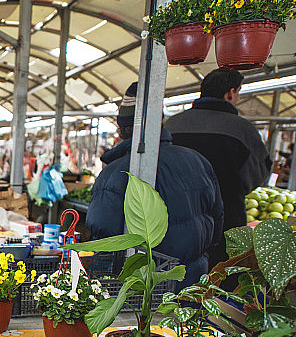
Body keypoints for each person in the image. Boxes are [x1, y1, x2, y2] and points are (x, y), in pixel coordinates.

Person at [88, 82, 224, 288]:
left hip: (144, 291)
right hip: (194, 281)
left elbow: (105, 241)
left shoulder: (115, 174)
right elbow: (217, 219)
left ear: (122, 129)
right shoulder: (198, 161)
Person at [165, 68, 272, 268]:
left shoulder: (172, 125)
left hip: (171, 220)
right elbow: (258, 174)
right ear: (231, 93)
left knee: (173, 280)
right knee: (220, 285)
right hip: (225, 224)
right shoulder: (243, 130)